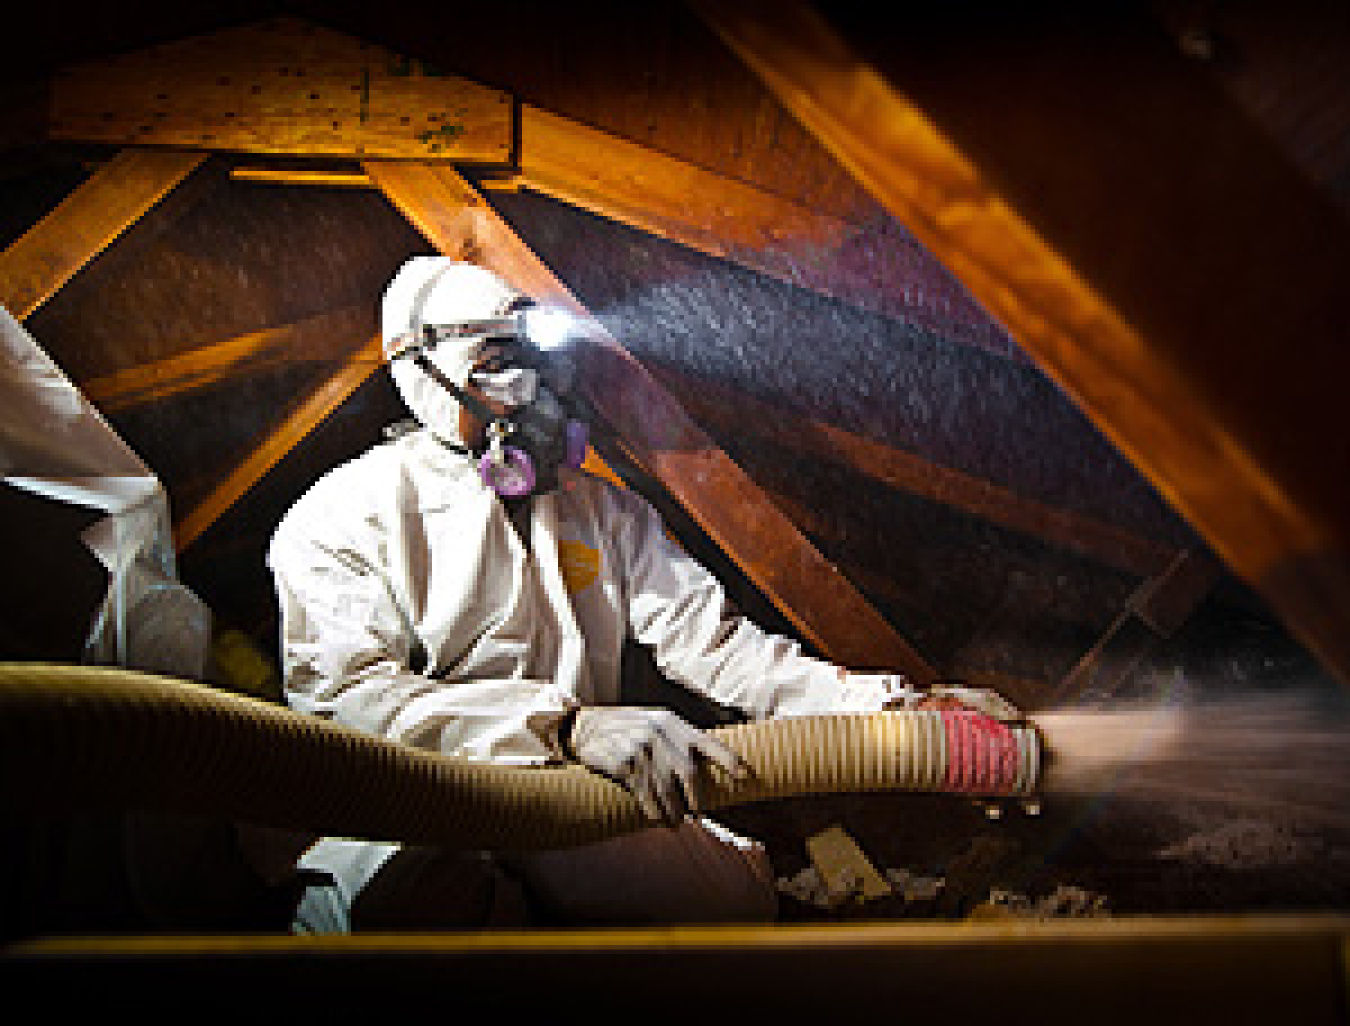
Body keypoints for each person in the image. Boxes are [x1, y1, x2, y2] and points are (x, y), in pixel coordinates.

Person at [267, 258, 1014, 930]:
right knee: (427, 904)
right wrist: (563, 729)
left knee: (734, 902)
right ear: (420, 374)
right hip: (415, 814)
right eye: (496, 364)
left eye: (533, 362)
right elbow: (348, 702)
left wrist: (899, 713)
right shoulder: (340, 520)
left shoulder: (604, 513)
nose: (527, 391)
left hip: (577, 803)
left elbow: (723, 652)